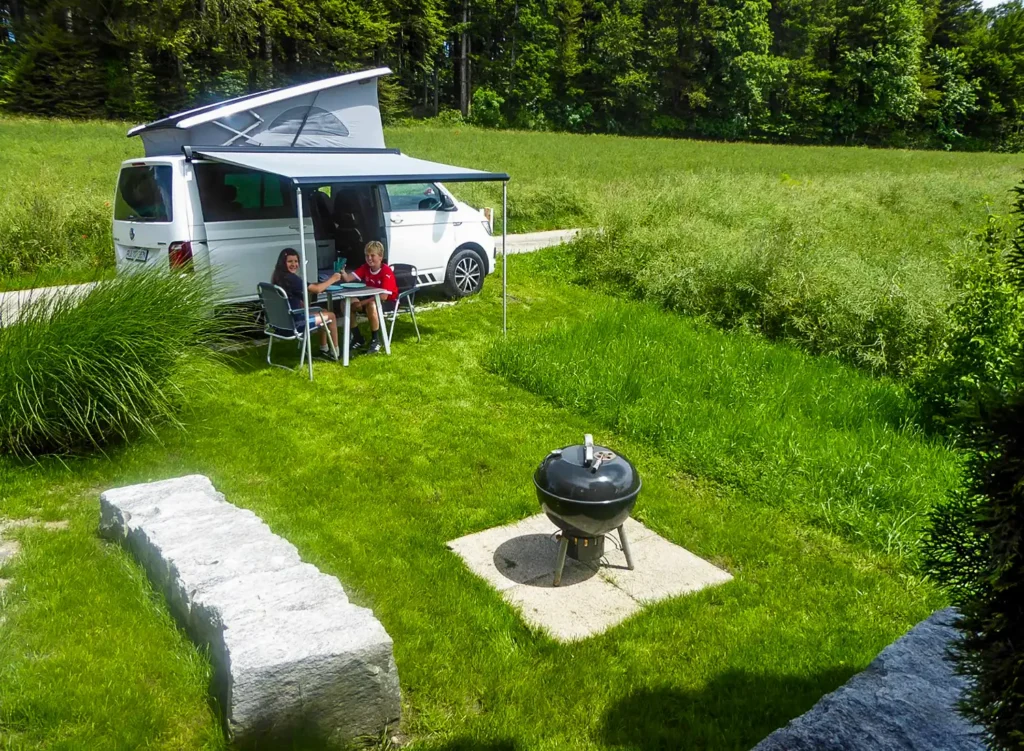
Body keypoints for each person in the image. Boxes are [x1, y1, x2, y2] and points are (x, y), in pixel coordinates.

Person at [271, 248, 342, 360]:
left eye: (296, 261)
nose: (294, 264)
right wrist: (333, 279)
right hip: (294, 325)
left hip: (280, 325)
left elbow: (306, 288)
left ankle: (324, 348)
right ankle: (336, 353)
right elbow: (317, 289)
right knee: (331, 316)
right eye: (290, 261)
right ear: (283, 263)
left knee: (323, 312)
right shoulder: (292, 278)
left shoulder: (278, 277)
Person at [338, 240, 398, 354]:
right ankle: (357, 337)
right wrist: (342, 271)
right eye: (367, 255)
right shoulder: (365, 267)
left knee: (371, 305)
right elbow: (347, 279)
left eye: (372, 255)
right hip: (370, 299)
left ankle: (376, 340)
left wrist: (362, 303)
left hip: (388, 302)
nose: (369, 258)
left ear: (380, 257)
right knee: (345, 303)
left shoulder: (386, 271)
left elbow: (384, 296)